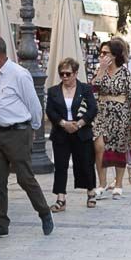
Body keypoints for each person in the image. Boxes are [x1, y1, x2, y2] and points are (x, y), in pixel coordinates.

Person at [0, 33, 53, 239]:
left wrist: (33, 129)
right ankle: (0, 223)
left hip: (17, 132)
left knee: (24, 177)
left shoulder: (19, 74)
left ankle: (44, 212)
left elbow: (34, 105)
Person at [46, 58, 99, 211]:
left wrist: (80, 123)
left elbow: (92, 109)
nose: (64, 77)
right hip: (61, 132)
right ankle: (60, 198)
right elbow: (50, 111)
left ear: (75, 73)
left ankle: (91, 192)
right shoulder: (53, 91)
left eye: (68, 74)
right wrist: (63, 123)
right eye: (61, 74)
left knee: (86, 163)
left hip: (81, 131)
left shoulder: (85, 89)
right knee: (61, 166)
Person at [92, 37, 131, 199]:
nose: (102, 56)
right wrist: (101, 71)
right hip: (101, 114)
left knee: (119, 148)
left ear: (114, 55)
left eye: (106, 53)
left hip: (121, 115)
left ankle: (118, 183)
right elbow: (93, 90)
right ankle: (102, 183)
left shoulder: (125, 73)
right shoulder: (99, 71)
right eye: (101, 53)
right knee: (99, 146)